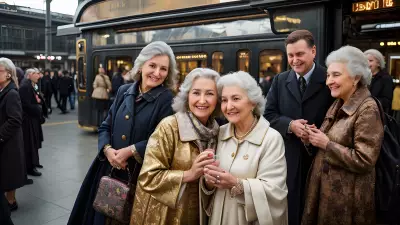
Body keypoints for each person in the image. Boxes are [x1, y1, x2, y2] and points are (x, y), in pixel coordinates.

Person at [68, 41, 177, 225]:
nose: (157, 73)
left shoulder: (167, 100)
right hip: (109, 168)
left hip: (140, 176)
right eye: (152, 65)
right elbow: (105, 126)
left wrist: (130, 150)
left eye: (163, 69)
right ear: (141, 66)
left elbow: (162, 141)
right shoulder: (124, 91)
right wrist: (107, 150)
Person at [302, 46, 384, 224]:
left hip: (347, 204)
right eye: (328, 75)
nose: (328, 81)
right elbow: (329, 141)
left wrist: (326, 144)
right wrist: (312, 138)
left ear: (356, 77)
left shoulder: (368, 109)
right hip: (328, 196)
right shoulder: (339, 102)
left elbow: (365, 160)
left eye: (336, 75)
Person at [131, 68, 220, 225]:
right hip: (165, 216)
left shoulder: (217, 132)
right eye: (196, 93)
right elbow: (148, 177)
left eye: (210, 94)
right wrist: (189, 174)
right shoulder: (169, 127)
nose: (202, 100)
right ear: (186, 97)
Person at [263, 30, 334, 225]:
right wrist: (290, 125)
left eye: (299, 54)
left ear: (313, 51)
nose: (295, 60)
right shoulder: (279, 80)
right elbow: (268, 115)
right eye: (291, 55)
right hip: (288, 159)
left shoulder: (330, 79)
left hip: (320, 159)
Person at [201, 71, 288, 225]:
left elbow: (275, 192)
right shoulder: (218, 134)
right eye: (224, 100)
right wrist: (207, 181)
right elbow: (208, 190)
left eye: (236, 99)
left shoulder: (271, 139)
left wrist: (236, 184)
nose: (229, 106)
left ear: (253, 102)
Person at [0, 58, 26, 212]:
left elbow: (15, 120)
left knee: (9, 173)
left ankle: (11, 202)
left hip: (8, 142)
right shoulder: (4, 90)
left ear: (9, 74)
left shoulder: (12, 94)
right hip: (5, 140)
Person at [19, 68, 47, 177]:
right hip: (29, 120)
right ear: (29, 75)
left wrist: (39, 100)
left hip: (34, 118)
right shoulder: (25, 86)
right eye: (36, 74)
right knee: (30, 143)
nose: (39, 76)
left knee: (35, 142)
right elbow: (25, 105)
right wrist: (38, 106)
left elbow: (37, 96)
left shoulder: (33, 84)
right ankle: (30, 167)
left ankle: (35, 162)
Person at [364, 49, 394, 113]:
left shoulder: (385, 78)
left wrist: (368, 102)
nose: (367, 63)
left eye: (370, 60)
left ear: (379, 63)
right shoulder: (362, 77)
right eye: (365, 60)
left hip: (378, 116)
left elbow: (387, 102)